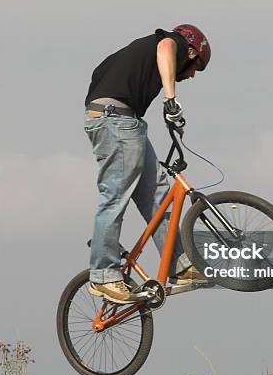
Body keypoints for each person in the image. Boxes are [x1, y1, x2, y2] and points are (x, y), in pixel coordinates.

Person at [84, 24, 211, 304]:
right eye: (195, 67)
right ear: (191, 51)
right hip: (114, 120)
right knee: (115, 196)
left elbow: (98, 75)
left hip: (125, 122)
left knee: (159, 195)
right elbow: (165, 47)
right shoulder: (170, 43)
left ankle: (181, 267)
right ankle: (103, 274)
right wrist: (170, 100)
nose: (191, 75)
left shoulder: (137, 52)